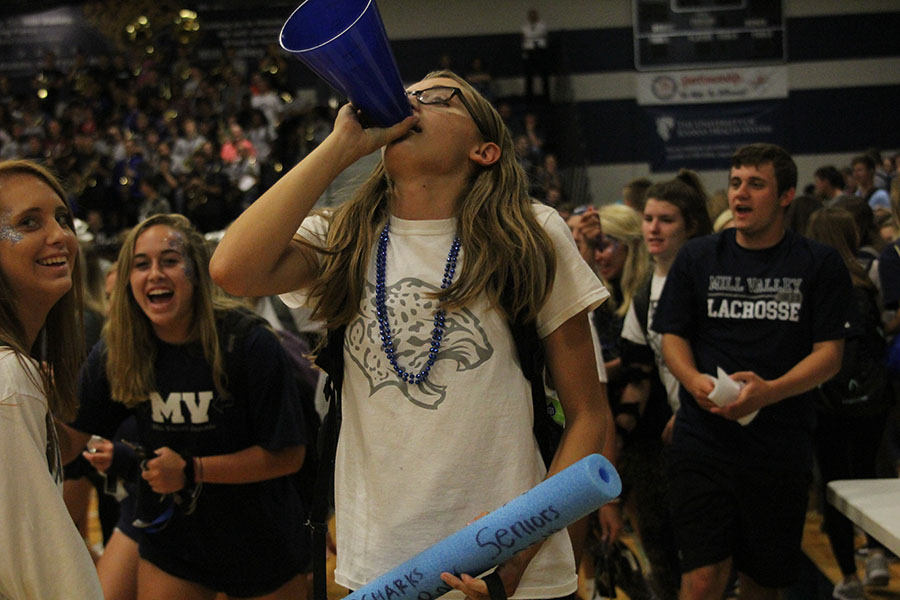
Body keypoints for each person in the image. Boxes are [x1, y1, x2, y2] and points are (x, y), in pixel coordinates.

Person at [210, 70, 611, 599]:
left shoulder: (532, 232)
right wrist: (338, 148)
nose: (409, 103)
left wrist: (519, 547)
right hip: (381, 564)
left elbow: (589, 414)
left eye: (438, 98)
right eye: (407, 95)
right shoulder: (341, 235)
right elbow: (233, 270)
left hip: (511, 566)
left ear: (484, 150)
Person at [58, 213, 310, 599]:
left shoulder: (249, 343)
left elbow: (288, 456)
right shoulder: (119, 348)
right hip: (174, 540)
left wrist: (193, 470)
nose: (155, 273)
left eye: (170, 261)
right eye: (142, 264)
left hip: (262, 540)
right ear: (127, 279)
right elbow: (68, 442)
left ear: (196, 273)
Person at [652, 143, 854, 599]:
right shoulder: (698, 257)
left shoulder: (818, 263)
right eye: (736, 182)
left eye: (756, 184)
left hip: (779, 447)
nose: (741, 193)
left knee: (763, 583)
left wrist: (771, 392)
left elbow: (830, 355)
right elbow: (672, 336)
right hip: (702, 443)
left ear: (784, 196)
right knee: (703, 577)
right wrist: (693, 380)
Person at [0, 159, 103, 598]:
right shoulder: (9, 376)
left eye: (63, 218)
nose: (60, 234)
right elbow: (50, 575)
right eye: (29, 222)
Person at [614, 170, 713, 599]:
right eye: (649, 218)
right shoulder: (642, 293)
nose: (653, 228)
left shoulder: (711, 281)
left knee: (709, 559)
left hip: (717, 427)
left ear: (690, 225)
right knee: (662, 550)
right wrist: (614, 442)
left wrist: (691, 411)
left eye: (666, 219)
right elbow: (638, 376)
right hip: (664, 439)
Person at [805, 207, 895, 599]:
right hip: (873, 398)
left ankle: (848, 575)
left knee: (835, 485)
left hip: (827, 400)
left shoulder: (811, 285)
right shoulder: (866, 281)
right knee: (871, 473)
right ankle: (876, 553)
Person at [521, 8, 550, 100]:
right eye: (531, 15)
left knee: (543, 75)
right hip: (529, 51)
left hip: (540, 50)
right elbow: (525, 38)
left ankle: (546, 96)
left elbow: (544, 37)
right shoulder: (525, 27)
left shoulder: (542, 26)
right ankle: (529, 97)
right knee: (529, 76)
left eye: (534, 15)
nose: (532, 17)